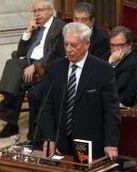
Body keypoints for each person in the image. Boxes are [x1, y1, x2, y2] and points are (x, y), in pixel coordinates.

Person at [40, 22, 120, 172]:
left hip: (91, 145)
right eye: (66, 45)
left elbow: (111, 111)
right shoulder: (56, 68)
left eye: (74, 45)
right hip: (65, 145)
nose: (69, 50)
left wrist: (111, 142)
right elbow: (48, 108)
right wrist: (48, 137)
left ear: (86, 44)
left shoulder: (102, 70)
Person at [27, 2, 111, 143]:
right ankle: (35, 136)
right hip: (61, 74)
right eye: (76, 19)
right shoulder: (66, 33)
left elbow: (98, 65)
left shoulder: (100, 38)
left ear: (92, 21)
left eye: (83, 20)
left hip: (83, 79)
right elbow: (54, 56)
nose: (79, 23)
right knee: (35, 94)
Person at [0, 0, 65, 139]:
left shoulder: (60, 27)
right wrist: (28, 31)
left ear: (50, 10)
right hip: (27, 61)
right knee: (12, 63)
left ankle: (9, 116)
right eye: (34, 11)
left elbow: (55, 52)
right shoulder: (35, 26)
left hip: (43, 66)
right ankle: (8, 104)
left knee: (18, 84)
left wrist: (36, 65)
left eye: (40, 10)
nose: (37, 14)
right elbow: (20, 51)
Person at [108, 26, 137, 101]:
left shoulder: (132, 64)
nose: (115, 49)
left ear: (129, 44)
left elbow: (114, 88)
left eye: (119, 45)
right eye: (112, 45)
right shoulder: (108, 54)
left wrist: (110, 64)